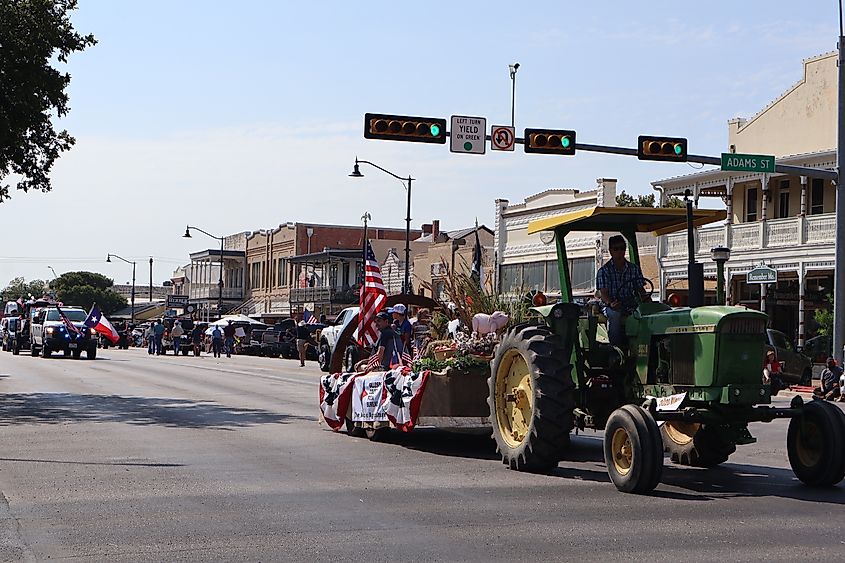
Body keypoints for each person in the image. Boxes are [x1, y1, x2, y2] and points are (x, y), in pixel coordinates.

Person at [596, 234, 649, 348]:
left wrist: (649, 302)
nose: (619, 252)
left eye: (622, 248)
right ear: (610, 251)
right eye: (616, 249)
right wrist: (611, 303)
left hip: (631, 304)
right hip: (611, 305)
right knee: (614, 315)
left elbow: (640, 289)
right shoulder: (604, 271)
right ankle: (616, 349)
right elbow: (603, 293)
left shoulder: (633, 269)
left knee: (648, 313)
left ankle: (645, 345)